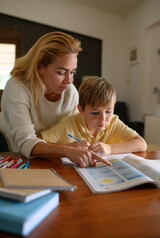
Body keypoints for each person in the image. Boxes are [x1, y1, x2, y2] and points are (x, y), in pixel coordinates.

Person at [0, 31, 110, 168]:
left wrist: (75, 147)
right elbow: (25, 143)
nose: (69, 80)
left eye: (72, 72)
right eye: (61, 72)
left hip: (50, 157)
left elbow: (69, 133)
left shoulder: (70, 92)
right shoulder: (17, 87)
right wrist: (67, 149)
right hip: (14, 156)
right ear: (39, 66)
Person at [40, 77, 147, 156]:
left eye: (108, 111)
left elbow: (141, 144)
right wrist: (68, 148)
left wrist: (110, 149)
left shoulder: (114, 122)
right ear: (81, 109)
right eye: (95, 113)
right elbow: (39, 142)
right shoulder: (69, 124)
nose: (103, 118)